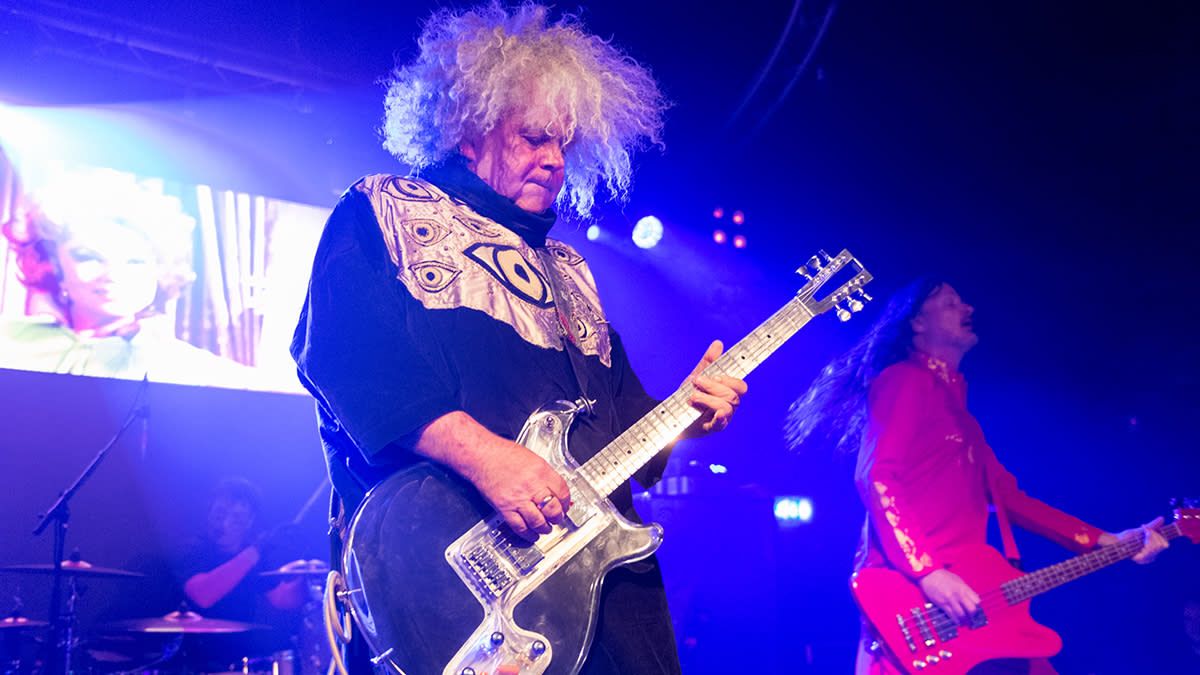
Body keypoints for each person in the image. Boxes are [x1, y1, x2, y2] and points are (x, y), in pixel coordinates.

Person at [289, 4, 746, 674]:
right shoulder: (383, 209)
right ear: (470, 128)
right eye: (535, 138)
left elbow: (622, 434)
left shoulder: (569, 271)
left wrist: (686, 414)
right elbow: (345, 360)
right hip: (450, 597)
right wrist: (484, 457)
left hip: (601, 598)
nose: (555, 161)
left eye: (565, 144)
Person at [785, 278, 1168, 675]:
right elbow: (876, 475)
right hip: (916, 595)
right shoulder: (904, 380)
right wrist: (927, 572)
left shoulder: (959, 413)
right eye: (951, 302)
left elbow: (1011, 500)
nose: (967, 309)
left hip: (969, 591)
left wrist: (1108, 541)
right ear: (916, 322)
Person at [0, 166, 257, 386]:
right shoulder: (9, 339)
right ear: (55, 265)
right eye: (88, 256)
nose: (112, 274)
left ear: (160, 270)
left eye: (135, 261)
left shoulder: (186, 367)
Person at [178, 478, 307, 669]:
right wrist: (256, 550)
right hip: (192, 661)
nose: (226, 523)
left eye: (236, 518)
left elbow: (281, 599)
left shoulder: (250, 558)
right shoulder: (194, 549)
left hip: (237, 660)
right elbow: (202, 595)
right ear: (209, 513)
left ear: (250, 522)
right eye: (220, 514)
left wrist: (306, 577)